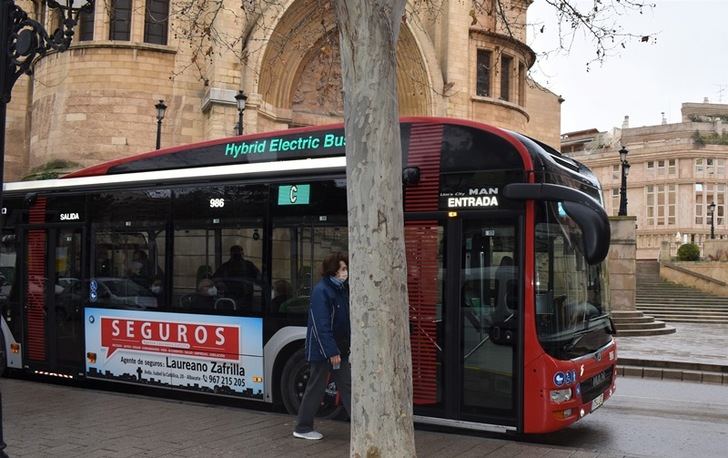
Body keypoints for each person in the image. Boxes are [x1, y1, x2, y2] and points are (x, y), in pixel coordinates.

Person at [293, 252, 351, 441]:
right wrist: (331, 351)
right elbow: (321, 325)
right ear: (333, 270)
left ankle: (362, 427)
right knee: (316, 388)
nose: (345, 272)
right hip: (324, 351)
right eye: (342, 269)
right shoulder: (322, 291)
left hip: (338, 349)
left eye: (346, 269)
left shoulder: (340, 289)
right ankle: (302, 428)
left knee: (348, 387)